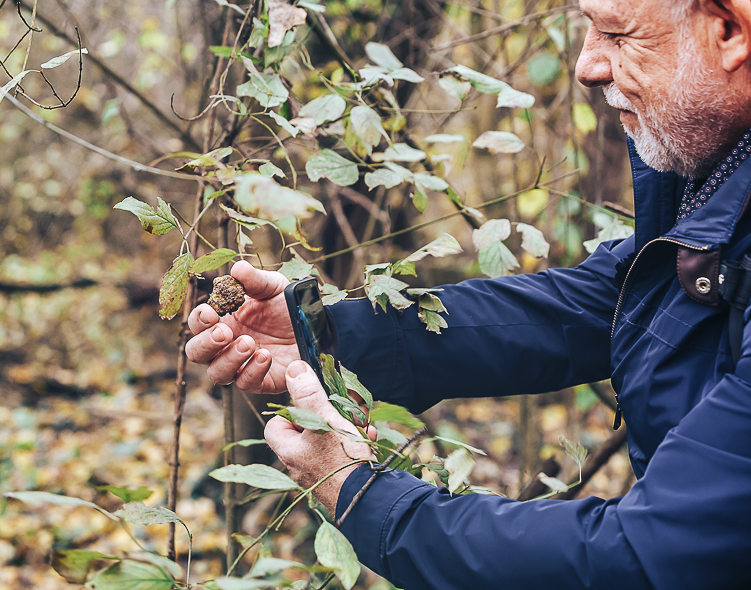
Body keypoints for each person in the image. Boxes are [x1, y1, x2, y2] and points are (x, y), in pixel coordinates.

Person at [186, 0, 751, 587]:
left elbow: (645, 558)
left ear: (729, 30)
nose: (587, 66)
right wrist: (323, 336)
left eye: (615, 32)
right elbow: (612, 303)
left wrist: (361, 494)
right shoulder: (720, 172)